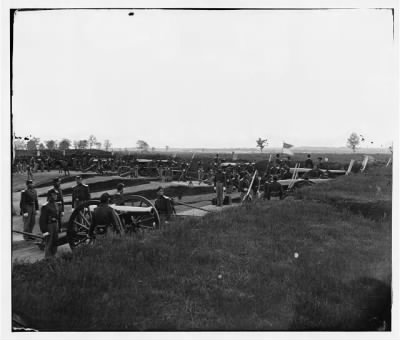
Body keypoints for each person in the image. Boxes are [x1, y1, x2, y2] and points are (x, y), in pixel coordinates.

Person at [39, 189, 60, 258]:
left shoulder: (56, 204)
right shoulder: (45, 206)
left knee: (55, 242)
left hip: (55, 225)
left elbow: (58, 217)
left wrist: (59, 227)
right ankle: (47, 258)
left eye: (56, 194)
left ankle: (53, 256)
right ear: (50, 196)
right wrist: (44, 231)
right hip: (49, 225)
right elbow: (42, 220)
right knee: (49, 243)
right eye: (54, 195)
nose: (56, 196)